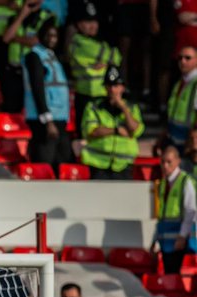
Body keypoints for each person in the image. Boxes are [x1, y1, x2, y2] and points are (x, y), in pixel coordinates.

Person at [22, 25, 71, 172]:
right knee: (44, 161)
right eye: (48, 35)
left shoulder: (52, 56)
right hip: (45, 119)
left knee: (62, 160)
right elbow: (37, 88)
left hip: (59, 116)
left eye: (54, 36)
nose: (52, 39)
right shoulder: (34, 56)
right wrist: (47, 119)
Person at [80, 67, 143, 180]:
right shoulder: (94, 107)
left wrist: (124, 108)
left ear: (122, 87)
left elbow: (135, 130)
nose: (112, 90)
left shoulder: (132, 108)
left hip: (123, 165)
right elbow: (91, 131)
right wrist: (116, 130)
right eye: (109, 86)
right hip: (98, 164)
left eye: (115, 86)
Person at [68, 3, 121, 128]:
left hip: (102, 94)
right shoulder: (78, 42)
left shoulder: (99, 42)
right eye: (88, 21)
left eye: (95, 21)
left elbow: (118, 57)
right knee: (86, 132)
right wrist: (109, 60)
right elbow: (114, 55)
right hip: (85, 96)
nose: (93, 25)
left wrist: (108, 60)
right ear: (79, 24)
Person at [153, 145, 196, 274]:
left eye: (169, 162)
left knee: (176, 275)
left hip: (179, 240)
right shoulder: (162, 184)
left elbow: (191, 211)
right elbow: (161, 215)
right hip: (165, 241)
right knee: (168, 273)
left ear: (178, 161)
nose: (165, 166)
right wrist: (155, 239)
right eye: (163, 162)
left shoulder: (185, 181)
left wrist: (182, 236)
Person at [164, 46, 197, 150]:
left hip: (189, 141)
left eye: (188, 58)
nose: (183, 61)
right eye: (180, 58)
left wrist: (193, 137)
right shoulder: (180, 82)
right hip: (174, 137)